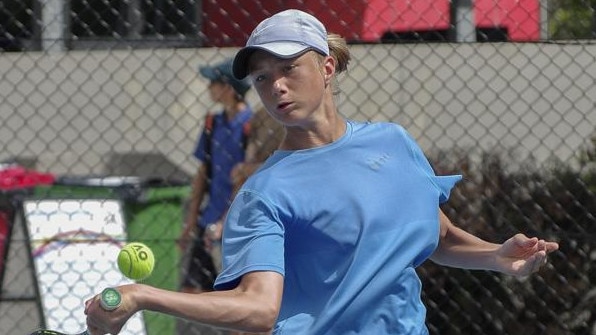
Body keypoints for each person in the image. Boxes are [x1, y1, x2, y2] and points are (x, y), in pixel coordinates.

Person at [85, 9, 559, 335]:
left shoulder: (393, 142)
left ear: (327, 67)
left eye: (289, 68)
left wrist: (496, 256)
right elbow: (257, 309)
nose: (277, 87)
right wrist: (145, 295)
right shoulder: (263, 194)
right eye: (263, 77)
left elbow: (436, 235)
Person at [178, 57, 253, 294]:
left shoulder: (250, 125)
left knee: (234, 295)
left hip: (236, 223)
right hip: (208, 219)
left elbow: (247, 179)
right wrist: (191, 221)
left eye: (213, 83)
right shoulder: (213, 123)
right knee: (192, 288)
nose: (209, 88)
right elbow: (203, 172)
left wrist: (224, 221)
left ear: (228, 88)